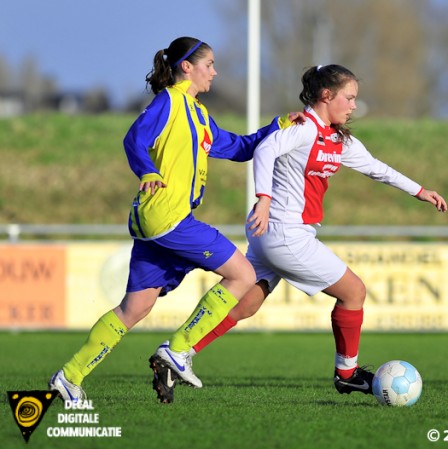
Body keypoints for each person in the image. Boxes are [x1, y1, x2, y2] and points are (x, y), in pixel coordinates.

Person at [150, 63, 447, 403]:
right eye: (349, 98)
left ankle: (177, 352)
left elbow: (378, 169)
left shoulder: (335, 138)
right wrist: (263, 198)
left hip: (274, 236)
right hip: (285, 233)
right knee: (354, 292)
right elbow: (264, 150)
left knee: (246, 304)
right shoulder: (304, 128)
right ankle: (347, 374)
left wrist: (420, 191)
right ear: (326, 95)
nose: (353, 106)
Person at [48, 36, 302, 404]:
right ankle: (178, 349)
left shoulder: (198, 113)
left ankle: (69, 377)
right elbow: (134, 138)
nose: (215, 71)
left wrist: (277, 126)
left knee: (134, 308)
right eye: (209, 64)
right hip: (168, 218)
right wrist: (147, 171)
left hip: (158, 222)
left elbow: (238, 147)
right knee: (244, 275)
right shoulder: (168, 101)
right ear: (187, 66)